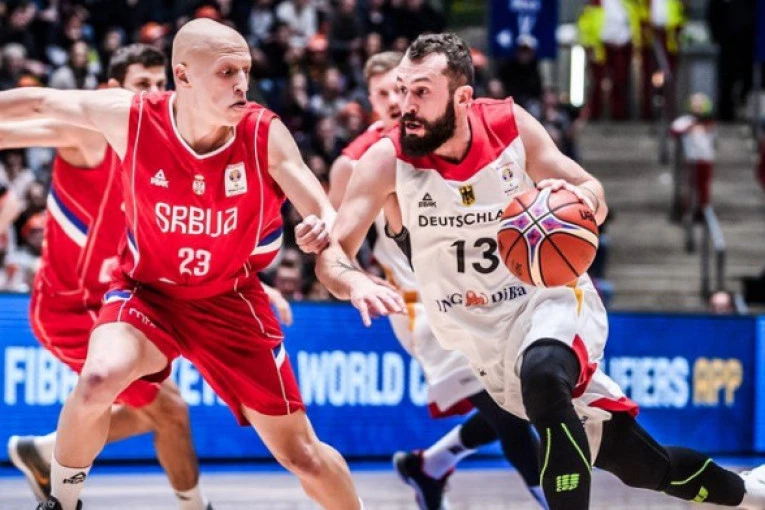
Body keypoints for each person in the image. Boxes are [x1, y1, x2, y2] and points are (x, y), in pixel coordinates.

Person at [311, 33, 765, 510]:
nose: (405, 105)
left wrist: (581, 200)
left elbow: (591, 192)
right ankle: (750, 493)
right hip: (482, 338)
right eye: (402, 90)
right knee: (643, 464)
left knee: (544, 373)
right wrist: (353, 279)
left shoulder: (508, 127)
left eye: (420, 91)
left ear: (462, 98)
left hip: (548, 300)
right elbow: (332, 256)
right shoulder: (385, 161)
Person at [0, 19, 402, 510]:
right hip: (147, 293)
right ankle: (61, 502)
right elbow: (40, 102)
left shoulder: (263, 132)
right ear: (184, 76)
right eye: (227, 71)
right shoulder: (132, 117)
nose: (242, 84)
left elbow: (324, 217)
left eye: (246, 71)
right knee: (99, 377)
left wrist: (348, 271)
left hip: (229, 300)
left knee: (302, 455)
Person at [326, 50, 546, 510]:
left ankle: (429, 465)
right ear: (369, 99)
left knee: (518, 401)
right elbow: (335, 241)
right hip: (421, 307)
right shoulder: (359, 161)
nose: (396, 101)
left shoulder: (444, 140)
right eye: (384, 93)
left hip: (480, 293)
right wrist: (355, 276)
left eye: (402, 90)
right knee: (510, 416)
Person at [0, 43, 216, 510]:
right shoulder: (89, 136)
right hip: (66, 309)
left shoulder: (163, 151)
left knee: (162, 411)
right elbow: (13, 126)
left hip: (118, 306)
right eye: (142, 84)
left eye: (160, 85)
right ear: (111, 90)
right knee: (170, 410)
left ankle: (44, 452)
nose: (154, 94)